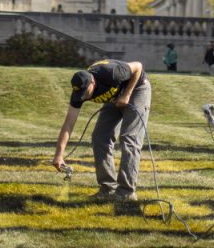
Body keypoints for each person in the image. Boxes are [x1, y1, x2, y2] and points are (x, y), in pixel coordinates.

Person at [53, 59, 150, 201]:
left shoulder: (111, 73)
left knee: (129, 138)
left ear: (93, 82)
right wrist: (59, 155)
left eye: (86, 93)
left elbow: (138, 67)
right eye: (81, 94)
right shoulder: (79, 91)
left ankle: (126, 192)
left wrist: (127, 94)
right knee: (100, 137)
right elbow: (68, 124)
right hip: (114, 96)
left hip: (136, 88)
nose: (84, 97)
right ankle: (108, 189)